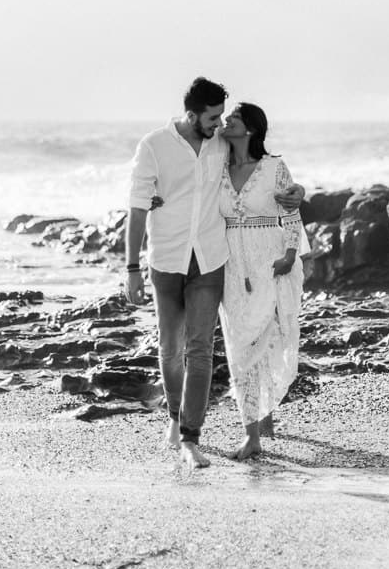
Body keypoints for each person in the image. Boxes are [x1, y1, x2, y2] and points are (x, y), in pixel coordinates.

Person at [122, 77, 301, 469]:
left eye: (223, 117)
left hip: (210, 260)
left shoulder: (221, 143)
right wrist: (132, 267)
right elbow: (136, 208)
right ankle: (173, 417)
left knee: (200, 349)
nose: (220, 124)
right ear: (192, 114)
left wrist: (296, 192)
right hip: (166, 259)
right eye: (213, 116)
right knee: (171, 350)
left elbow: (261, 165)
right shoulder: (153, 146)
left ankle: (191, 436)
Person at [216, 102, 308, 461]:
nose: (226, 122)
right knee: (239, 346)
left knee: (269, 337)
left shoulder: (273, 168)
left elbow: (292, 212)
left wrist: (289, 254)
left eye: (233, 118)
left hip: (270, 261)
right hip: (232, 264)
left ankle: (263, 417)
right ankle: (252, 433)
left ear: (250, 128)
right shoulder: (218, 167)